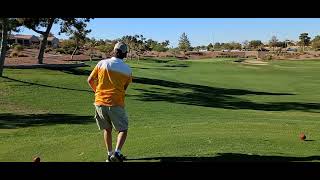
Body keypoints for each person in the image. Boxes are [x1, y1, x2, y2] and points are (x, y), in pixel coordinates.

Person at [87, 42, 132, 162]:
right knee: (123, 129)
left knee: (107, 129)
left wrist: (97, 92)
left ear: (114, 50)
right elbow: (124, 88)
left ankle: (109, 154)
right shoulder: (127, 69)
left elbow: (90, 80)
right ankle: (116, 154)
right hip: (115, 103)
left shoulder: (102, 63)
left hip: (99, 102)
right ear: (125, 53)